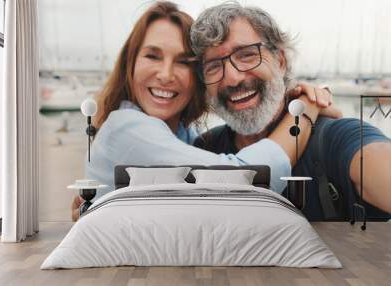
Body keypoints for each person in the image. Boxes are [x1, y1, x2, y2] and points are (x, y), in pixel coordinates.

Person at [71, 1, 335, 221]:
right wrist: (306, 111)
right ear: (130, 64)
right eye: (152, 56)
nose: (165, 75)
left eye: (184, 62)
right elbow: (248, 177)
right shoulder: (126, 128)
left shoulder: (183, 136)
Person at [190, 2, 391, 221]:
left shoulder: (336, 138)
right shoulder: (206, 147)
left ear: (281, 61)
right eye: (213, 66)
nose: (232, 78)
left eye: (247, 55)